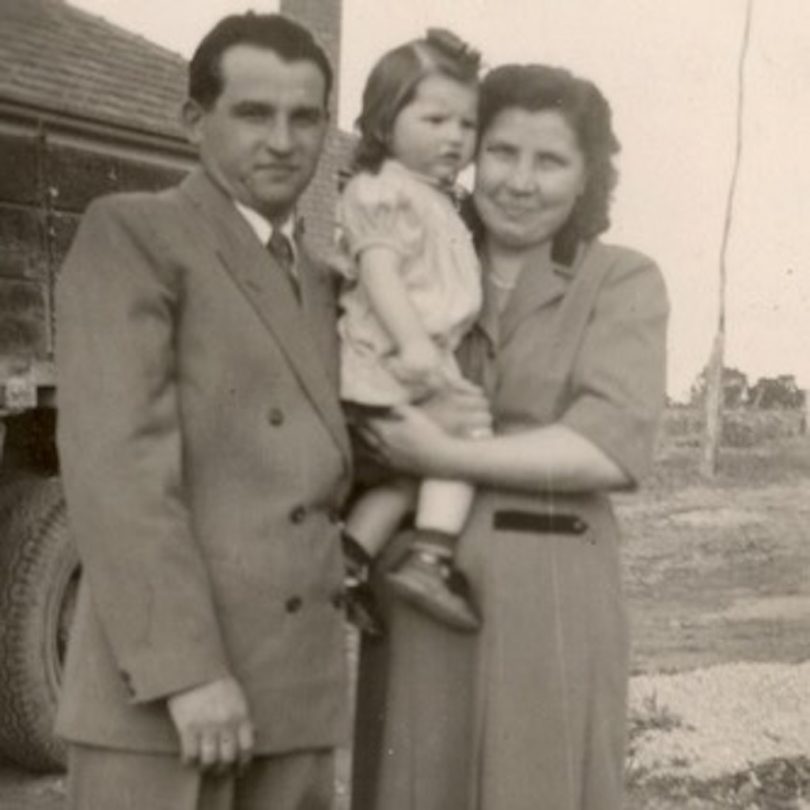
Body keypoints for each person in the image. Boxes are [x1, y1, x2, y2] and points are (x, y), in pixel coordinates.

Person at [351, 63, 670, 810]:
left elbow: (607, 446)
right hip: (418, 596)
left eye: (551, 160)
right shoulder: (409, 269)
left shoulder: (620, 281)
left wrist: (442, 456)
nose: (520, 182)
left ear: (589, 175)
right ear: (467, 154)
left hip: (551, 600)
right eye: (501, 152)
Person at [55, 14, 352, 810]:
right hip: (167, 705)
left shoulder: (327, 284)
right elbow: (119, 472)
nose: (284, 140)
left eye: (306, 117)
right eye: (254, 113)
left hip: (293, 700)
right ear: (194, 121)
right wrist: (187, 672)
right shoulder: (136, 235)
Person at [337, 29, 487, 634]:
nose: (454, 137)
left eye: (467, 124)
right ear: (382, 123)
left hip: (412, 357)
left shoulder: (438, 201)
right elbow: (379, 271)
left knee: (408, 474)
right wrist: (416, 345)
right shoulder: (384, 193)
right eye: (435, 119)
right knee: (468, 438)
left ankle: (347, 562)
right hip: (394, 357)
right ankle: (431, 558)